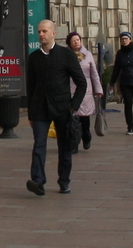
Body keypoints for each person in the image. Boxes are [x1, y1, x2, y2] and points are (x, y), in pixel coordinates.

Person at [25, 19, 88, 193]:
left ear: (54, 33)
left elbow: (81, 83)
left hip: (62, 108)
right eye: (39, 31)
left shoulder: (66, 55)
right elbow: (30, 86)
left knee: (65, 146)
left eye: (44, 31)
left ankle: (64, 180)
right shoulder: (34, 57)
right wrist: (31, 112)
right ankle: (38, 181)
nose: (41, 34)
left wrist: (73, 106)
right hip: (40, 108)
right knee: (39, 144)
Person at [68, 31, 103, 150]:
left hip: (86, 90)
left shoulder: (87, 55)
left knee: (84, 118)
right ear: (69, 43)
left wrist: (98, 89)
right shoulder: (66, 55)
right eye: (73, 41)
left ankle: (86, 136)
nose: (76, 42)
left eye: (77, 40)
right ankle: (74, 143)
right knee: (73, 118)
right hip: (71, 89)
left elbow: (94, 73)